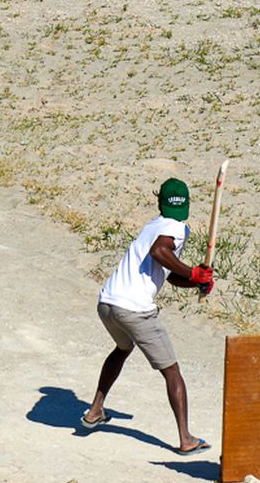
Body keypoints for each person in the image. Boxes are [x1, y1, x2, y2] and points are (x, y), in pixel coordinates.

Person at [81, 177, 215, 456]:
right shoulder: (176, 227)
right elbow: (159, 253)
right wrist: (193, 272)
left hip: (108, 303)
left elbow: (166, 271)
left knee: (122, 348)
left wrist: (196, 282)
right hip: (134, 310)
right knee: (172, 372)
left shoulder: (153, 226)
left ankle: (95, 410)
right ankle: (186, 439)